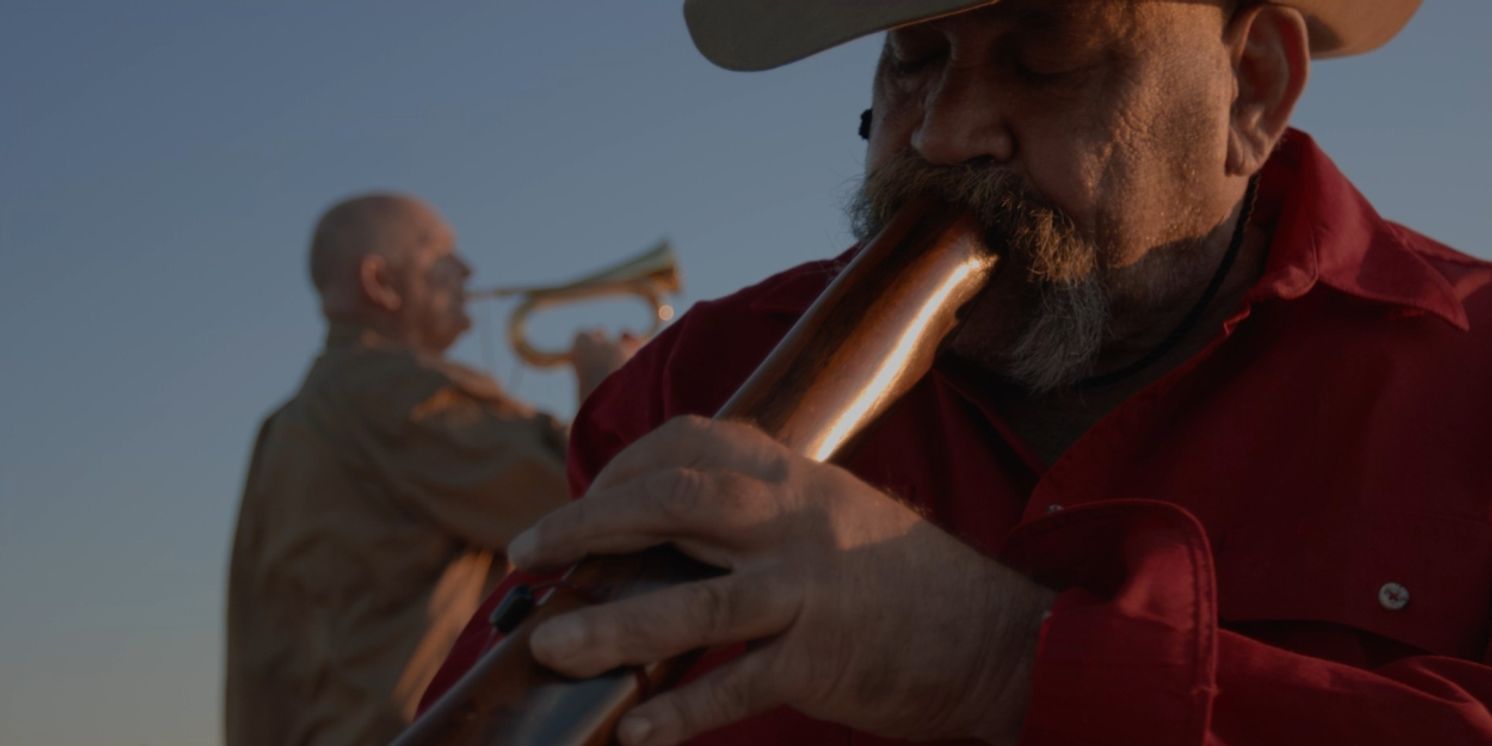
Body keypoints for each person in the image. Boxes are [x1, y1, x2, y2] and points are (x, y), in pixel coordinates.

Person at [423, 1, 1492, 744]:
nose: (940, 136)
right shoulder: (697, 377)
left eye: (1045, 54)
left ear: (1250, 88)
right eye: (914, 56)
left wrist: (1000, 661)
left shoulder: (1469, 368)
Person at [224, 192, 637, 746]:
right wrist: (608, 389)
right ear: (380, 282)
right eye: (439, 253)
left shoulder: (281, 431)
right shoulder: (395, 390)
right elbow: (584, 504)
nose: (466, 270)